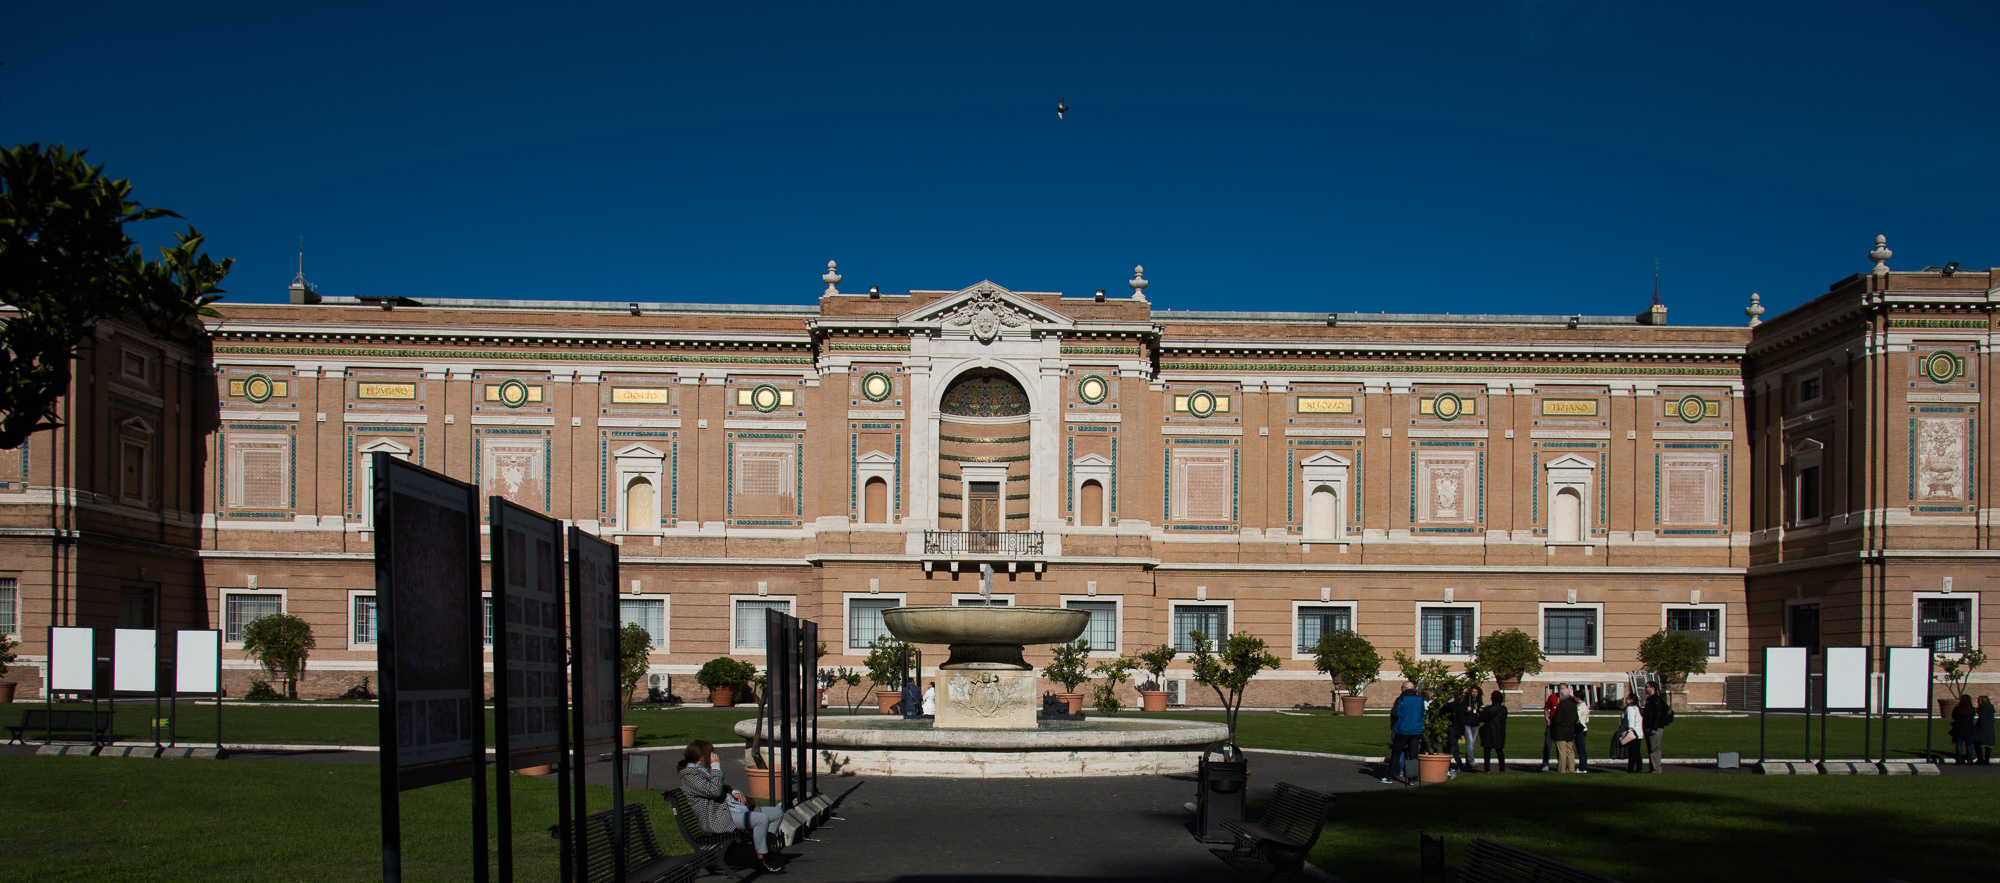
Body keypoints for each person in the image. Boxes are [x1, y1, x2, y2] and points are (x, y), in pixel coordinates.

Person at [677, 739, 785, 873]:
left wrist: (734, 792)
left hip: (730, 810)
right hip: (717, 818)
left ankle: (766, 850)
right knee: (761, 819)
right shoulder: (690, 776)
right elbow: (714, 791)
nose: (714, 756)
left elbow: (722, 788)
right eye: (710, 753)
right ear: (700, 757)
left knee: (776, 813)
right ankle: (761, 859)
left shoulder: (703, 771)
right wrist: (716, 768)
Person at [1380, 680, 1423, 785]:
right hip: (1416, 730)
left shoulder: (1401, 699)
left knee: (1396, 753)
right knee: (1413, 755)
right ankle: (1412, 779)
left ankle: (1390, 776)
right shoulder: (1419, 699)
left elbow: (1395, 713)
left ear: (1405, 689)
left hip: (1403, 729)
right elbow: (1422, 713)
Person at [1641, 683, 1672, 773]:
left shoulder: (1656, 700)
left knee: (1655, 749)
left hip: (1654, 728)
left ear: (1653, 688)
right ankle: (1652, 768)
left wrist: (1654, 728)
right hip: (1648, 726)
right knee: (1650, 748)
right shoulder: (1650, 699)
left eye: (1647, 687)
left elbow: (1658, 715)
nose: (1645, 689)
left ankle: (1656, 769)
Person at [1478, 689, 1508, 772]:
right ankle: (1502, 769)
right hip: (1500, 732)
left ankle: (1487, 769)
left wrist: (1481, 712)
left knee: (1487, 752)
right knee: (1500, 752)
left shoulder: (1488, 709)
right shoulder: (1503, 709)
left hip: (1488, 731)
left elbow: (1482, 718)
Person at [1550, 686, 1579, 774]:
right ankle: (1571, 769)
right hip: (1570, 730)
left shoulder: (1562, 705)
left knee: (1562, 753)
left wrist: (1552, 719)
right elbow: (1576, 718)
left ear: (1562, 695)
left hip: (1561, 731)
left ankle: (1561, 770)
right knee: (1570, 752)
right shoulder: (1573, 704)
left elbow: (1557, 719)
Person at [1442, 689, 1469, 771]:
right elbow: (1461, 721)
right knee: (1452, 748)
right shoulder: (1459, 708)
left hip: (1448, 728)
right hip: (1455, 729)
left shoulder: (1449, 706)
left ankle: (1459, 764)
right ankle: (1447, 765)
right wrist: (1462, 732)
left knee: (1453, 748)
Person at [1619, 695, 1645, 773]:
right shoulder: (1637, 708)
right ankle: (1639, 767)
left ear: (1631, 700)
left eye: (1627, 698)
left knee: (1632, 752)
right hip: (1638, 733)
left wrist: (1630, 730)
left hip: (1633, 733)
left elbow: (1631, 719)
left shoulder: (1630, 708)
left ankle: (1631, 768)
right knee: (1636, 752)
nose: (1625, 700)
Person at [1538, 685, 1561, 771]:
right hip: (1551, 724)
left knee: (1561, 746)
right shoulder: (1552, 697)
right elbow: (1546, 707)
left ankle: (1562, 764)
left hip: (1561, 725)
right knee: (1548, 744)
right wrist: (1546, 717)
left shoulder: (1569, 699)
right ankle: (1545, 763)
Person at [1950, 697, 1975, 764]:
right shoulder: (1971, 709)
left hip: (1959, 728)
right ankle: (1969, 760)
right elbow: (1973, 716)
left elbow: (1953, 716)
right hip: (1969, 728)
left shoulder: (1957, 708)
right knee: (1969, 745)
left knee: (1959, 744)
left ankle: (1959, 760)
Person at [1573, 689, 1592, 773]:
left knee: (1581, 750)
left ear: (1577, 698)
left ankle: (1582, 768)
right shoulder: (1586, 706)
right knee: (1581, 750)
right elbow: (1587, 720)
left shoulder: (1580, 707)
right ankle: (1582, 766)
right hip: (1584, 727)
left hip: (1580, 729)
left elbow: (1576, 719)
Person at [1976, 696, 1995, 766]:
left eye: (1979, 701)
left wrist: (1977, 727)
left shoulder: (1984, 710)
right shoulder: (1990, 709)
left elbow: (1982, 720)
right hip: (1989, 728)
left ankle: (1980, 758)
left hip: (1983, 728)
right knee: (1988, 745)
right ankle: (1987, 759)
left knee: (1976, 742)